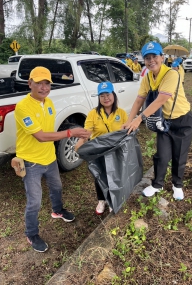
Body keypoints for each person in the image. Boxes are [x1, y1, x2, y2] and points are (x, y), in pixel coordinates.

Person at [14, 66, 90, 253]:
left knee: (56, 187)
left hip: (49, 158)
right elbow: (40, 136)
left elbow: (51, 131)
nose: (43, 87)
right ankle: (31, 234)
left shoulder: (49, 103)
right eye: (38, 83)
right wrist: (71, 132)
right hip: (31, 162)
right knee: (35, 201)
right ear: (29, 83)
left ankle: (57, 211)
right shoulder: (23, 107)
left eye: (47, 83)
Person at [123, 41, 192, 200]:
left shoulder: (172, 74)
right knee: (161, 155)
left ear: (162, 57)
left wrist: (139, 119)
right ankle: (157, 184)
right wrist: (129, 121)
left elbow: (161, 100)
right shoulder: (147, 77)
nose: (151, 61)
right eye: (147, 58)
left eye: (154, 56)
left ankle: (177, 185)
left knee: (179, 155)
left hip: (183, 121)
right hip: (165, 123)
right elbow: (139, 100)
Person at [75, 81, 128, 215]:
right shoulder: (93, 113)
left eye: (108, 94)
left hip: (116, 150)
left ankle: (113, 199)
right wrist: (80, 142)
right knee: (100, 175)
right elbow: (87, 132)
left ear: (114, 95)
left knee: (115, 174)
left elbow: (126, 131)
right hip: (99, 151)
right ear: (99, 98)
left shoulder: (121, 113)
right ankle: (101, 199)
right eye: (102, 96)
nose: (106, 98)